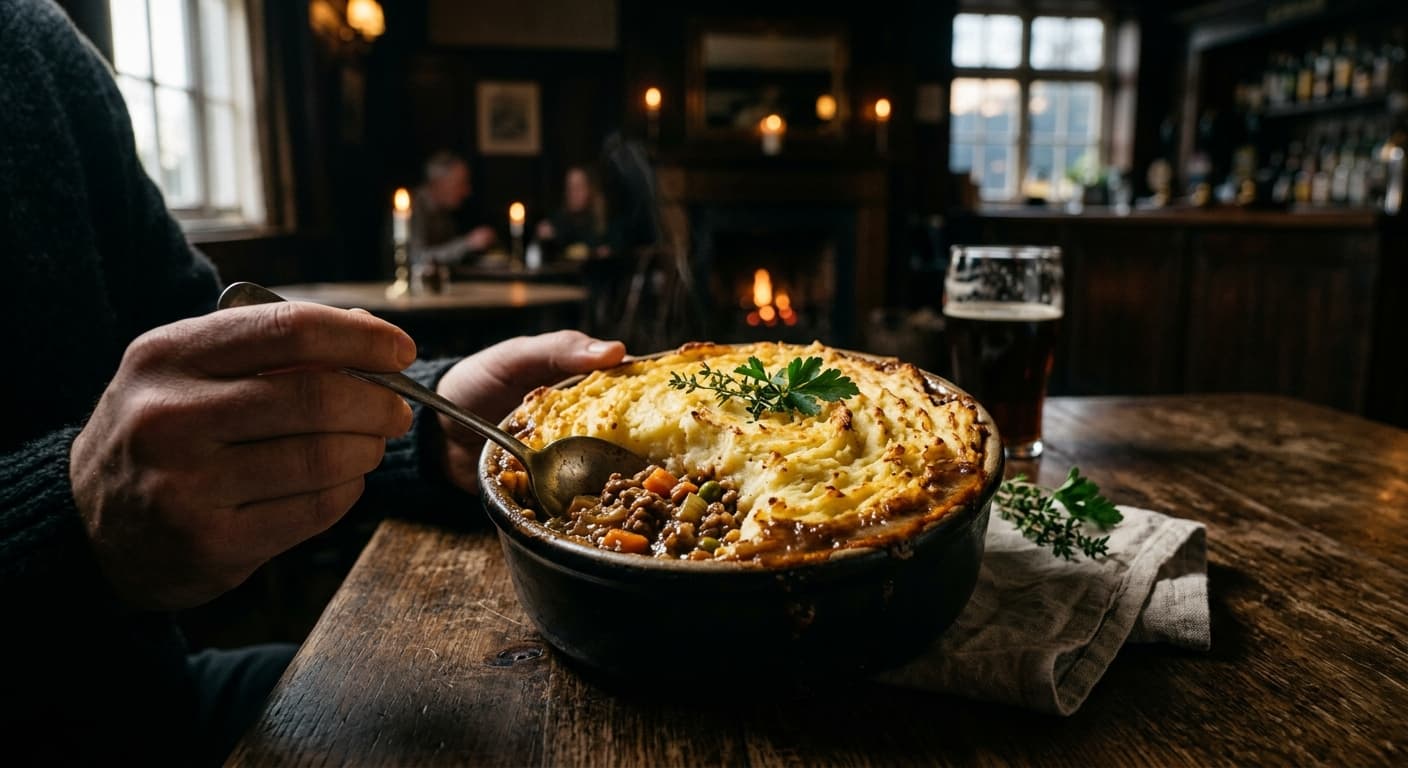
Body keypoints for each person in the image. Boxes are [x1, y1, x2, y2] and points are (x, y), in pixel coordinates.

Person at [0, 2, 625, 764]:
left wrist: (430, 427)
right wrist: (67, 521)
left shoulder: (36, 45)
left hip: (151, 696)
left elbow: (208, 344)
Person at [411, 151, 498, 265]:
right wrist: (468, 243)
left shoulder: (444, 211)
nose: (467, 191)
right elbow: (417, 258)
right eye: (460, 184)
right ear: (439, 183)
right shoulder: (411, 209)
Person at [534, 165, 609, 260]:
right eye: (570, 187)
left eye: (578, 187)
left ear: (590, 189)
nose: (574, 193)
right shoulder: (558, 219)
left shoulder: (603, 220)